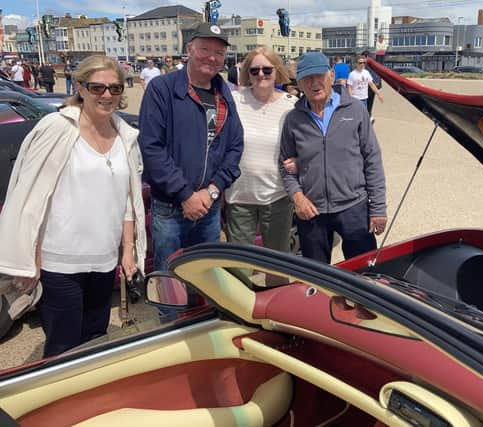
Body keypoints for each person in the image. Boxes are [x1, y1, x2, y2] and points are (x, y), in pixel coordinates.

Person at [0, 55, 146, 357]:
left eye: (115, 89)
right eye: (97, 88)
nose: (107, 95)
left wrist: (128, 251)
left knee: (96, 339)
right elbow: (32, 197)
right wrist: (31, 257)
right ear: (80, 87)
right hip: (60, 261)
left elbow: (128, 201)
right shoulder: (56, 128)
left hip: (104, 260)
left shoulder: (125, 137)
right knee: (63, 346)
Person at [138, 22, 243, 272]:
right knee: (169, 279)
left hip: (210, 205)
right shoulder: (162, 89)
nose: (212, 57)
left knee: (206, 276)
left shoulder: (224, 93)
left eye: (219, 53)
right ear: (189, 49)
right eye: (204, 49)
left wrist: (213, 191)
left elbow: (235, 147)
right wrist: (185, 194)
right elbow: (152, 147)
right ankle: (171, 313)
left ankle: (203, 313)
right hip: (171, 207)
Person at [279, 52, 387, 264]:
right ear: (299, 83)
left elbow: (372, 159)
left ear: (331, 75)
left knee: (364, 277)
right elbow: (284, 166)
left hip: (354, 207)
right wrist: (298, 198)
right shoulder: (293, 119)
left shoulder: (355, 110)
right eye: (307, 78)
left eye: (319, 75)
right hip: (312, 212)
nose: (314, 83)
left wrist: (378, 208)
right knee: (315, 280)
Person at [226, 46, 297, 254]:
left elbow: (306, 144)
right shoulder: (234, 101)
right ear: (247, 72)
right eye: (254, 70)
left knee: (279, 264)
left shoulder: (291, 105)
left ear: (277, 71)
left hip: (277, 196)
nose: (261, 75)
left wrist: (300, 161)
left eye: (267, 70)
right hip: (239, 197)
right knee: (239, 267)